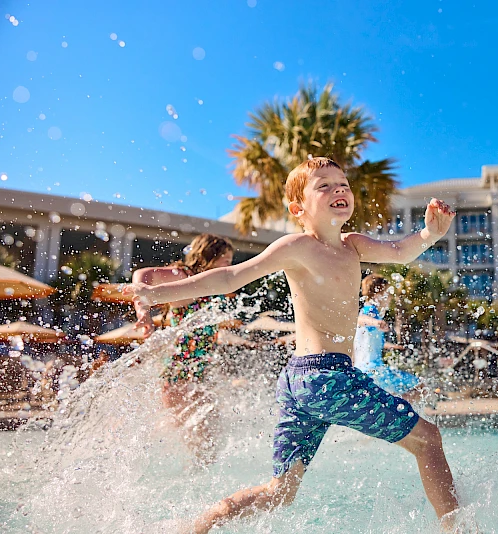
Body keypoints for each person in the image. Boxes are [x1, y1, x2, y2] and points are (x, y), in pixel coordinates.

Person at [125, 157, 459, 533]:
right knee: (428, 439)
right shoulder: (298, 246)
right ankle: (460, 531)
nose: (339, 190)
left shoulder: (353, 246)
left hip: (302, 381)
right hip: (326, 377)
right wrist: (156, 295)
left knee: (281, 491)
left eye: (343, 184)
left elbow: (399, 251)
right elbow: (232, 275)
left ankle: (195, 527)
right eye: (324, 185)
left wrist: (430, 234)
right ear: (298, 209)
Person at [130, 233, 234, 461]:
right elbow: (143, 275)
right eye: (226, 260)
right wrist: (143, 311)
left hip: (198, 372)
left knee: (206, 434)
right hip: (178, 372)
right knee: (193, 435)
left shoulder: (210, 284)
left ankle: (196, 476)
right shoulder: (184, 276)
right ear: (210, 256)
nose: (229, 265)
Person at [354, 274, 421, 400]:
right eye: (388, 294)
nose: (390, 298)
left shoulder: (374, 312)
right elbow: (358, 319)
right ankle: (397, 410)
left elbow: (368, 342)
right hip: (374, 371)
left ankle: (394, 408)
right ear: (378, 293)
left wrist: (392, 346)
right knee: (419, 386)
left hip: (365, 371)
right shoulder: (370, 310)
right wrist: (375, 322)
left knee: (386, 398)